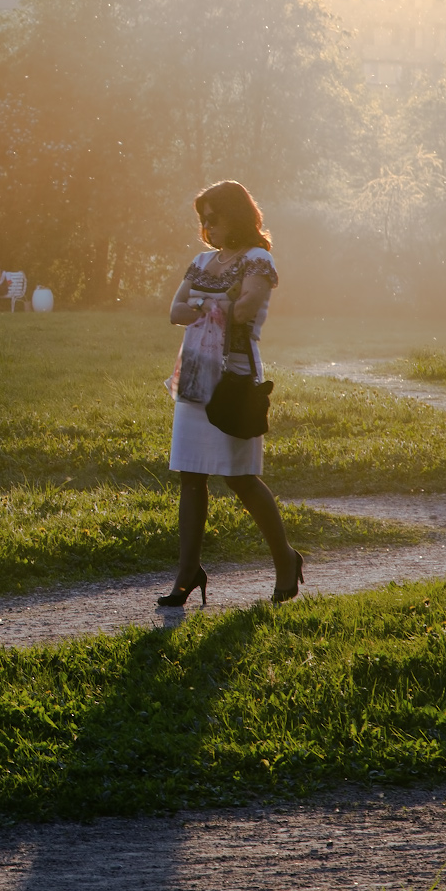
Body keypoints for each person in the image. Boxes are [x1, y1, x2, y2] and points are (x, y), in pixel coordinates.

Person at [160, 180, 301, 608]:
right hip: (195, 375)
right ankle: (188, 572)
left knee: (240, 477)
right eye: (202, 220)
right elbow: (175, 311)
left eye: (213, 218)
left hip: (235, 375)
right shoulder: (202, 260)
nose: (206, 227)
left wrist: (205, 306)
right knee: (190, 475)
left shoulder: (258, 259)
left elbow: (245, 310)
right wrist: (214, 303)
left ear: (235, 217)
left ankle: (285, 559)